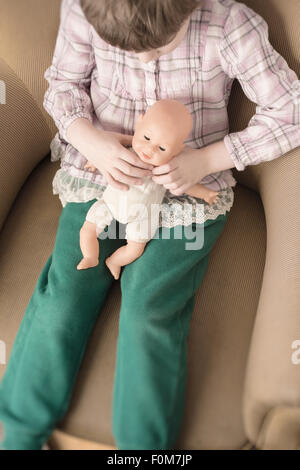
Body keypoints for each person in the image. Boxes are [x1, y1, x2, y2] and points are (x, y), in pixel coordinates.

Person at [0, 0, 299, 450]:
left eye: (157, 47)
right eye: (125, 49)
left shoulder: (229, 25)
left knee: (150, 311)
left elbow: (291, 111)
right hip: (101, 180)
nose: (142, 58)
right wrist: (89, 139)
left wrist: (206, 161)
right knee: (63, 294)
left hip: (188, 195)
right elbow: (62, 85)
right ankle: (18, 435)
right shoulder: (84, 10)